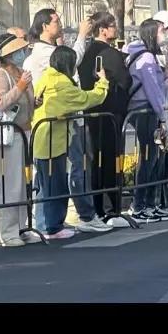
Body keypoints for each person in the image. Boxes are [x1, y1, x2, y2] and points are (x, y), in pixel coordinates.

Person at [31, 44, 109, 237]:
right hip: (52, 141)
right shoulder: (63, 86)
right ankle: (54, 227)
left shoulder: (45, 78)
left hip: (42, 138)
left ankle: (47, 225)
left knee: (46, 186)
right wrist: (103, 83)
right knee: (55, 186)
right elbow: (89, 99)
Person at [0, 29, 42, 246]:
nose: (22, 52)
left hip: (24, 130)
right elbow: (1, 102)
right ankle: (8, 231)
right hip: (10, 135)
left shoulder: (19, 71)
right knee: (10, 183)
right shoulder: (0, 74)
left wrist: (34, 101)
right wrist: (20, 87)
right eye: (18, 50)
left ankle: (21, 226)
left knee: (23, 183)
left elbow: (22, 100)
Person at [76, 10, 132, 226]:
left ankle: (98, 207)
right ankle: (110, 209)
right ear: (103, 30)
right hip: (109, 115)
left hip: (91, 112)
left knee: (94, 162)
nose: (115, 29)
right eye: (113, 26)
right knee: (110, 161)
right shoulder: (110, 55)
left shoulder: (86, 54)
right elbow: (125, 82)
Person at [123, 21, 168, 225]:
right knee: (149, 157)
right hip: (145, 111)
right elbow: (153, 90)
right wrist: (162, 115)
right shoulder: (146, 58)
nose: (165, 34)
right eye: (162, 30)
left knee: (154, 157)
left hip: (147, 110)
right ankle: (140, 204)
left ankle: (150, 204)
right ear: (152, 34)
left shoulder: (148, 56)